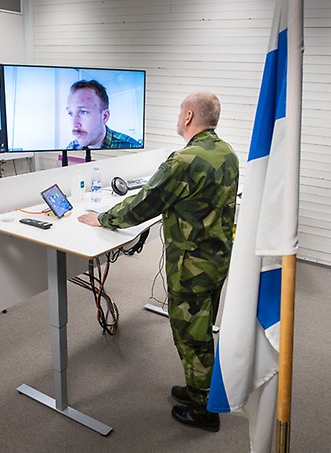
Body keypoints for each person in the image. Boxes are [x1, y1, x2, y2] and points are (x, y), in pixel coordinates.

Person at [78, 92, 239, 432]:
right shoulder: (226, 153)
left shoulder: (183, 160)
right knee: (202, 325)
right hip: (216, 259)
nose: (178, 116)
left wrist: (102, 218)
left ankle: (204, 408)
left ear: (189, 116)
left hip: (191, 266)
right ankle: (199, 389)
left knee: (190, 333)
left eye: (180, 111)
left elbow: (144, 204)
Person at [65, 80, 142, 150]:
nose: (74, 124)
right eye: (71, 113)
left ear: (104, 116)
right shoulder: (71, 148)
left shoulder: (132, 147)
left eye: (83, 112)